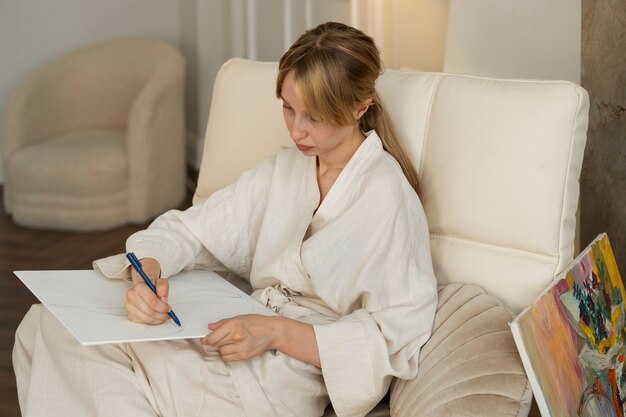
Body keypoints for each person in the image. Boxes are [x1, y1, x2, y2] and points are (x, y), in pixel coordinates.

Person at [13, 21, 437, 417]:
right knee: (46, 324)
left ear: (360, 108)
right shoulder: (284, 170)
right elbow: (190, 231)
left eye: (314, 118)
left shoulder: (387, 196)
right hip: (228, 333)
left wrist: (274, 332)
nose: (296, 131)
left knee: (62, 350)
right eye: (288, 109)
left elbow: (392, 341)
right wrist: (147, 271)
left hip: (281, 373)